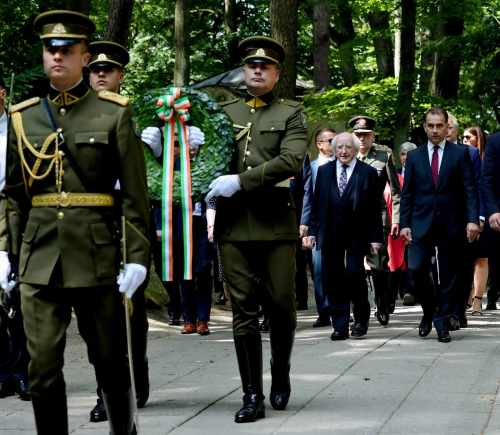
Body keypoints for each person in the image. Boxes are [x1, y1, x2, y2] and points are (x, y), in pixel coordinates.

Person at [0, 10, 150, 434]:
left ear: (85, 57)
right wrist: (5, 250)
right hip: (39, 258)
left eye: (67, 50)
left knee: (110, 361)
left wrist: (137, 258)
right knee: (42, 367)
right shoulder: (24, 117)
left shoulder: (113, 113)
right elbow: (14, 195)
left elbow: (134, 196)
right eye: (51, 49)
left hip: (96, 256)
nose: (57, 57)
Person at [206, 36, 307, 423]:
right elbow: (207, 159)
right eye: (252, 66)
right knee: (243, 311)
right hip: (234, 226)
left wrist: (241, 181)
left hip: (275, 224)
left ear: (277, 74)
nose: (258, 71)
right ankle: (252, 393)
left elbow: (291, 160)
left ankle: (280, 371)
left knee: (281, 305)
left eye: (266, 67)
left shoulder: (291, 113)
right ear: (243, 71)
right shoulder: (222, 111)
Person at [86, 40, 150, 423]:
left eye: (107, 70)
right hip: (87, 230)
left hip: (122, 228)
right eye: (94, 70)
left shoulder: (131, 115)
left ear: (120, 76)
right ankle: (105, 392)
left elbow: (139, 190)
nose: (100, 75)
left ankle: (134, 380)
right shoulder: (71, 116)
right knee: (95, 319)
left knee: (130, 314)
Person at [400, 107, 479, 343]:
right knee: (416, 269)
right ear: (425, 127)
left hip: (451, 223)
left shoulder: (460, 154)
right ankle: (430, 311)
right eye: (431, 126)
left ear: (446, 127)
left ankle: (442, 322)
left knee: (448, 276)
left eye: (439, 126)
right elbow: (407, 193)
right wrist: (404, 224)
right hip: (420, 223)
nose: (435, 130)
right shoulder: (414, 156)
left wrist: (472, 220)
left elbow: (469, 189)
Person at [303, 132, 382, 340]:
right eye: (339, 147)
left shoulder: (367, 172)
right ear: (334, 149)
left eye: (348, 147)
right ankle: (340, 325)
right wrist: (312, 232)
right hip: (330, 232)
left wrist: (375, 237)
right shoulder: (324, 171)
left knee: (355, 274)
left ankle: (361, 319)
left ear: (355, 150)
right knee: (333, 278)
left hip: (357, 233)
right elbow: (317, 203)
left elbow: (375, 208)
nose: (343, 151)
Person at [351, 115, 400, 331]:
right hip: (351, 219)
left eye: (366, 135)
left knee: (379, 266)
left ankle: (382, 303)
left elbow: (396, 191)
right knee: (353, 268)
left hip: (376, 217)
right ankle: (358, 312)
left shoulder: (383, 156)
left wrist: (396, 219)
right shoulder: (345, 155)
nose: (362, 139)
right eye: (358, 135)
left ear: (372, 136)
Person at [0, 76, 30, 401]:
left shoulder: (21, 127)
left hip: (14, 216)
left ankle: (24, 372)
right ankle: (3, 371)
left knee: (19, 298)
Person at [300, 128, 335, 328]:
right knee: (319, 270)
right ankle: (324, 312)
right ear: (319, 144)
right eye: (330, 140)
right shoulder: (312, 168)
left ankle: (341, 309)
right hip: (317, 227)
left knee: (339, 270)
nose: (334, 143)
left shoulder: (343, 165)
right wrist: (305, 226)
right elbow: (307, 197)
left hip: (340, 226)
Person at [462, 126, 490, 315]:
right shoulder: (460, 157)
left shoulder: (487, 159)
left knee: (480, 257)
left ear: (478, 139)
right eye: (463, 137)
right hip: (463, 215)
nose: (464, 140)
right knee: (465, 258)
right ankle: (467, 295)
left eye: (468, 137)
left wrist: (481, 216)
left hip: (483, 213)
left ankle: (478, 300)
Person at [387, 141, 418, 309]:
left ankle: (411, 290)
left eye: (410, 154)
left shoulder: (423, 172)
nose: (406, 157)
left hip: (416, 221)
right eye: (403, 154)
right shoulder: (393, 173)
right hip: (398, 220)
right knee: (397, 257)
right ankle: (400, 291)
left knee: (412, 257)